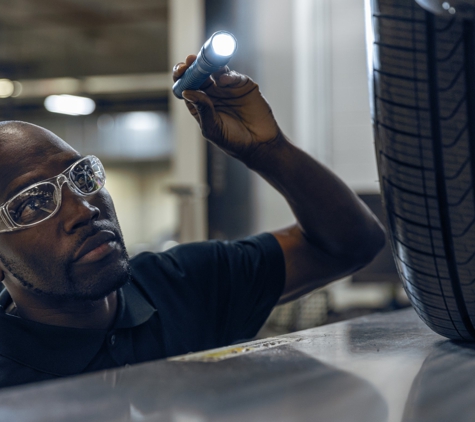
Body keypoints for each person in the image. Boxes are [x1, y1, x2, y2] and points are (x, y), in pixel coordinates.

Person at [0, 55, 385, 389]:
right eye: (32, 203)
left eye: (82, 176)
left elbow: (352, 244)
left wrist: (268, 151)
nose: (84, 209)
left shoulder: (180, 285)